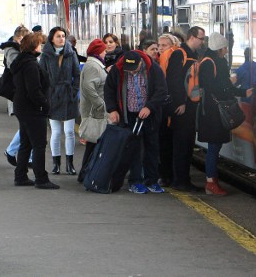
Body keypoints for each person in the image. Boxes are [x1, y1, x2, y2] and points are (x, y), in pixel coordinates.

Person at [104, 50, 168, 194]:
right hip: (129, 116)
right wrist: (112, 109)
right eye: (129, 70)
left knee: (152, 148)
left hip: (149, 116)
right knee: (134, 149)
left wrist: (149, 107)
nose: (131, 72)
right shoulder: (118, 69)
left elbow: (162, 91)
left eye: (135, 69)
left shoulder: (153, 69)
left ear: (141, 63)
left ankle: (152, 180)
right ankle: (135, 181)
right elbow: (109, 89)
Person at [198, 33, 253, 195]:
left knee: (215, 146)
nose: (227, 50)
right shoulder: (210, 63)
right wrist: (238, 91)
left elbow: (225, 85)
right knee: (214, 146)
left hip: (215, 109)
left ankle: (212, 181)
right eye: (225, 47)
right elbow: (216, 86)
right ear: (219, 49)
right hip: (213, 110)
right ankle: (210, 183)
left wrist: (242, 92)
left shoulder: (215, 61)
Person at [10, 32, 59, 189]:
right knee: (38, 144)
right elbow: (34, 90)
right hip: (32, 109)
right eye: (39, 44)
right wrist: (45, 105)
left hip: (22, 107)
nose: (41, 47)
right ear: (33, 47)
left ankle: (21, 176)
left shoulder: (21, 61)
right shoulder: (31, 65)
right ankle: (41, 178)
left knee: (26, 143)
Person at [166, 26, 205, 192]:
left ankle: (183, 179)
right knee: (182, 145)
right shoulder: (179, 54)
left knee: (187, 144)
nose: (202, 42)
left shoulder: (193, 55)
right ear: (191, 37)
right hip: (182, 108)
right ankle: (180, 180)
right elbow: (173, 81)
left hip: (190, 107)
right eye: (201, 38)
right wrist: (180, 102)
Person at [40, 27, 81, 175]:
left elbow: (77, 74)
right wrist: (46, 94)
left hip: (68, 96)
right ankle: (56, 163)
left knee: (69, 131)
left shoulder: (71, 53)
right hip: (53, 96)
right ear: (52, 39)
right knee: (56, 132)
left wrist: (74, 91)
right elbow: (41, 76)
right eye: (58, 36)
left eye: (63, 36)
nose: (61, 39)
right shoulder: (45, 55)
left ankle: (70, 164)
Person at [77, 39, 108, 183]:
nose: (106, 52)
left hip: (94, 111)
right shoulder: (93, 66)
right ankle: (85, 174)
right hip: (94, 112)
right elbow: (89, 88)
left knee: (93, 144)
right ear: (98, 52)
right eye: (104, 50)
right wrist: (100, 104)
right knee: (93, 144)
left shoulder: (94, 65)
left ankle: (86, 173)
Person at [1, 25, 30, 166]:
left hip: (25, 93)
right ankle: (15, 152)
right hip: (18, 93)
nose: (23, 42)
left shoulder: (22, 50)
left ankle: (15, 152)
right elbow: (16, 69)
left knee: (27, 126)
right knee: (28, 126)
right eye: (21, 39)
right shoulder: (11, 51)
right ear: (16, 38)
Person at [156, 33, 180, 187]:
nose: (160, 48)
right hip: (168, 108)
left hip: (166, 108)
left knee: (165, 144)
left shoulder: (168, 59)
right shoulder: (164, 59)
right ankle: (168, 175)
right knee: (167, 144)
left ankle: (166, 175)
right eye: (159, 46)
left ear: (172, 46)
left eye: (164, 45)